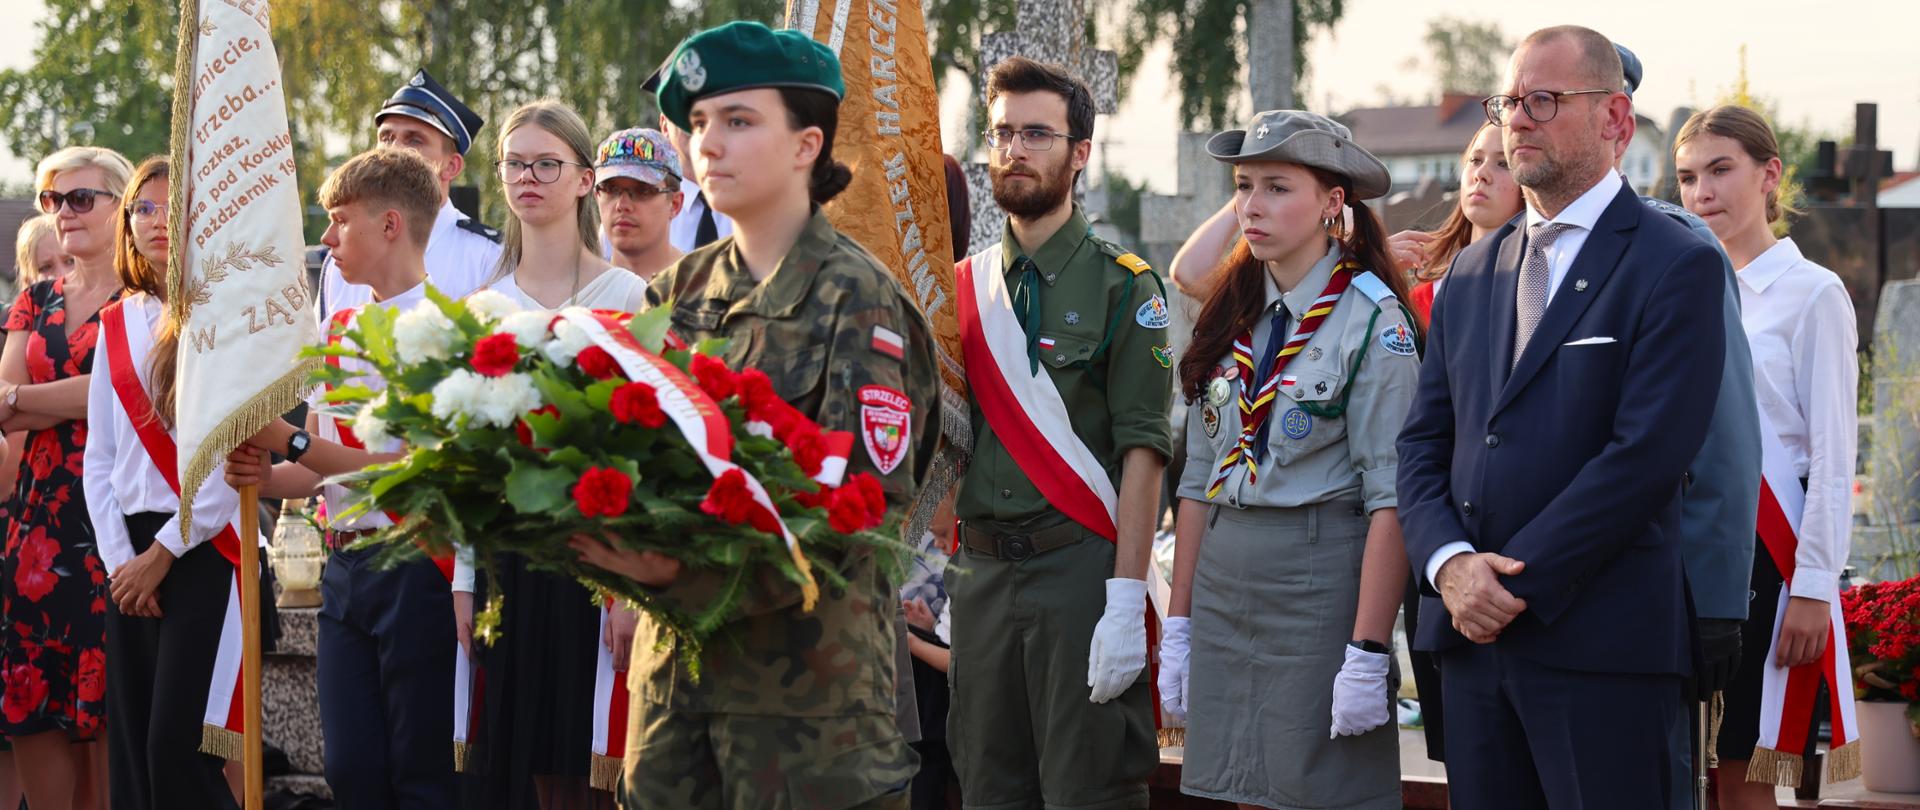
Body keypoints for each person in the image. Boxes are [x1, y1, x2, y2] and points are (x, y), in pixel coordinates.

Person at [569, 21, 939, 809]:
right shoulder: (677, 292)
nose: (709, 143)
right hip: (675, 707)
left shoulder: (860, 301)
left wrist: (678, 575)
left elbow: (857, 517)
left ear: (807, 145)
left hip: (806, 719)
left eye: (738, 121)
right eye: (701, 122)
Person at [1396, 26, 1726, 808]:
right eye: (1509, 101)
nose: (1518, 118)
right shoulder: (1473, 270)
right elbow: (1423, 443)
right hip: (1472, 650)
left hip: (1598, 647)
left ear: (1616, 119)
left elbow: (1645, 457)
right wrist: (1450, 565)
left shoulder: (1674, 263)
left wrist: (1510, 585)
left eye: (1544, 100)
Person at [1159, 110, 1416, 809]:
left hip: (1316, 584)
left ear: (1334, 203)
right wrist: (1178, 624)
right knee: (1241, 787)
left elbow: (1391, 496)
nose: (1252, 206)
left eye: (1277, 187)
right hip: (1224, 583)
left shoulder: (1374, 320)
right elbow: (1197, 481)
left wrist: (1368, 650)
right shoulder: (1232, 311)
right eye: (1243, 186)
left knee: (1317, 792)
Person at [946, 55, 1170, 810]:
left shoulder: (1125, 285)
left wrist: (1124, 598)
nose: (1015, 150)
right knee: (986, 789)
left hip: (1077, 573)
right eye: (1002, 133)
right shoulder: (961, 289)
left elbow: (1144, 453)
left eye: (1036, 134)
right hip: (980, 579)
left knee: (1088, 791)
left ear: (1079, 153)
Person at [225, 148, 456, 810]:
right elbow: (317, 471)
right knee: (350, 770)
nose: (326, 238)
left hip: (417, 563)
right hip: (346, 567)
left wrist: (290, 440)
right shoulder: (339, 326)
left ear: (390, 224)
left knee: (419, 772)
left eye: (340, 219)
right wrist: (265, 474)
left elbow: (412, 472)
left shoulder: (448, 328)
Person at [457, 98, 645, 810]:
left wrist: (630, 589)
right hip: (511, 556)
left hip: (601, 556)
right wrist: (464, 580)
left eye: (546, 164)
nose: (527, 178)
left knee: (598, 767)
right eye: (514, 164)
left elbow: (644, 451)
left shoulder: (628, 294)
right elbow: (474, 459)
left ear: (584, 180)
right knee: (532, 767)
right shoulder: (482, 308)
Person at [1675, 104, 1858, 808]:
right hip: (1684, 542)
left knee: (1744, 770)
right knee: (1674, 762)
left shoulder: (1813, 294)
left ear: (1770, 175)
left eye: (1721, 170)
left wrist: (1813, 586)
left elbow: (1834, 454)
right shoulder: (1681, 289)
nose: (1702, 193)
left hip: (1767, 554)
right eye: (1688, 177)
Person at [83, 155, 252, 810]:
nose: (157, 221)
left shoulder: (224, 315)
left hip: (202, 548)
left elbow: (227, 456)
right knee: (133, 755)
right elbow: (99, 457)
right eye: (144, 208)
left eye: (172, 207)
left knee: (178, 752)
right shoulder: (116, 321)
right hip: (129, 554)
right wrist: (122, 562)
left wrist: (163, 553)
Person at [0, 144, 134, 810]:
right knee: (31, 706)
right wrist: (70, 396)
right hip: (35, 530)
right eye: (53, 200)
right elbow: (4, 399)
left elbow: (121, 391)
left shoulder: (146, 299)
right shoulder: (34, 299)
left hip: (114, 526)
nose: (64, 212)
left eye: (81, 198)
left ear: (121, 205)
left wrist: (24, 400)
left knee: (109, 714)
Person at [315, 69, 503, 318]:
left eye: (414, 140)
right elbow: (321, 340)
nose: (394, 149)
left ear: (451, 166)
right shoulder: (338, 262)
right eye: (386, 137)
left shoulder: (489, 256)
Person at [1385, 123, 1523, 327]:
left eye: (1503, 163)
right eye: (1475, 160)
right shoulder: (1422, 300)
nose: (1481, 173)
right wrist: (1376, 270)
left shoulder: (1540, 289)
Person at [594, 127, 685, 281]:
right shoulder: (580, 288)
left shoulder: (704, 287)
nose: (623, 205)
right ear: (597, 196)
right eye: (611, 190)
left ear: (675, 204)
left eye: (643, 191)